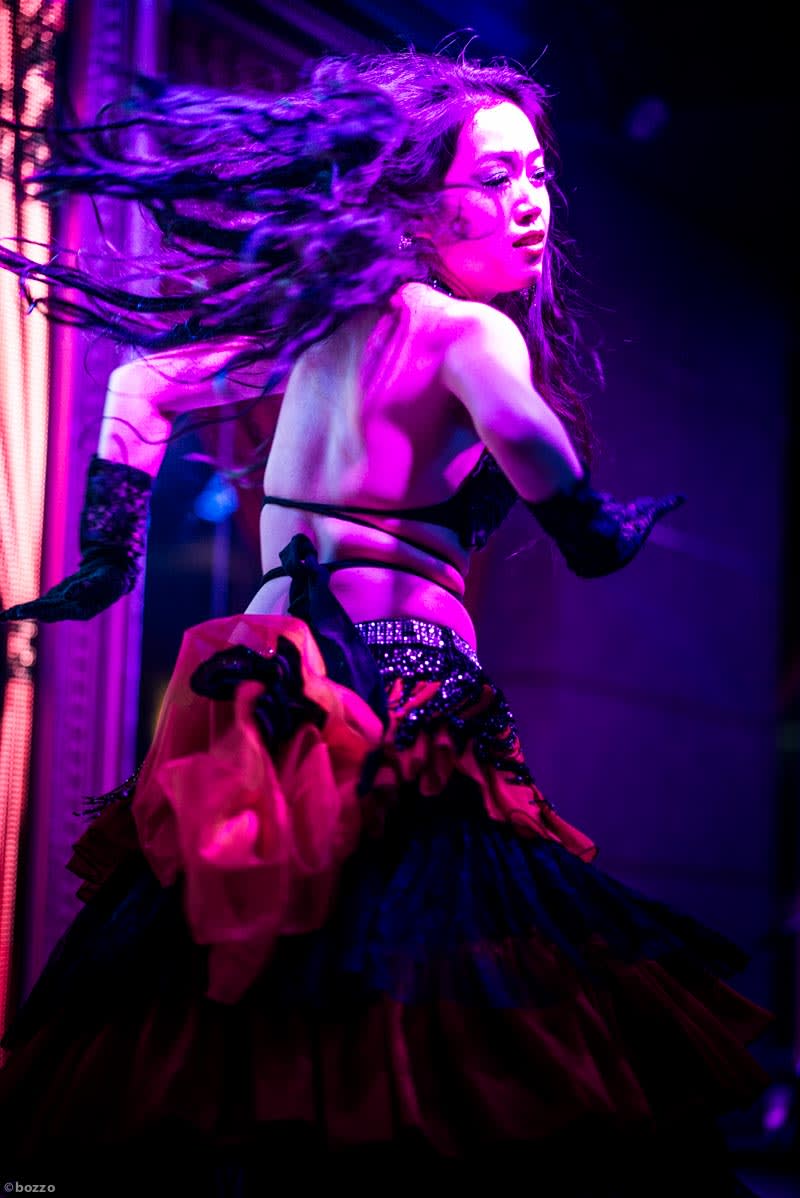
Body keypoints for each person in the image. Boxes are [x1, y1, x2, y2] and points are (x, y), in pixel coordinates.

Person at [0, 48, 773, 1196]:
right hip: (396, 692)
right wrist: (589, 524)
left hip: (261, 684)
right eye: (496, 177)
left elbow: (141, 388)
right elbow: (527, 440)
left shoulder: (314, 329)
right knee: (443, 990)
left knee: (249, 960)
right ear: (415, 202)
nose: (531, 201)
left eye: (539, 174)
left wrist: (109, 549)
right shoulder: (467, 334)